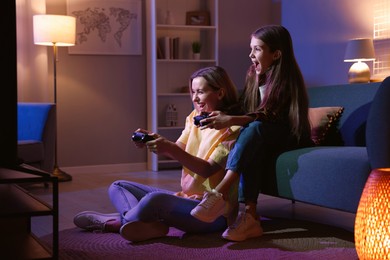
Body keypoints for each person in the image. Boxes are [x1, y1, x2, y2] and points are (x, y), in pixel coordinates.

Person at [73, 66, 243, 242]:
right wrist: (156, 141)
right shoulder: (195, 117)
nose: (194, 98)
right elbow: (179, 149)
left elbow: (208, 169)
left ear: (220, 93)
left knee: (155, 199)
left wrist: (170, 148)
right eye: (192, 92)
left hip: (211, 213)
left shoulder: (234, 129)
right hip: (186, 198)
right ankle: (139, 224)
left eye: (200, 92)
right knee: (118, 186)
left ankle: (115, 222)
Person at [190, 25, 314, 242]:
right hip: (265, 135)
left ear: (276, 54)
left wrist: (233, 120)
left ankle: (219, 194)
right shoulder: (253, 75)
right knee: (253, 142)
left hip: (290, 136)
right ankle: (250, 216)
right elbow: (247, 108)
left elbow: (270, 115)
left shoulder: (287, 78)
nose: (250, 55)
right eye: (251, 48)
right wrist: (224, 114)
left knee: (254, 129)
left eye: (257, 49)